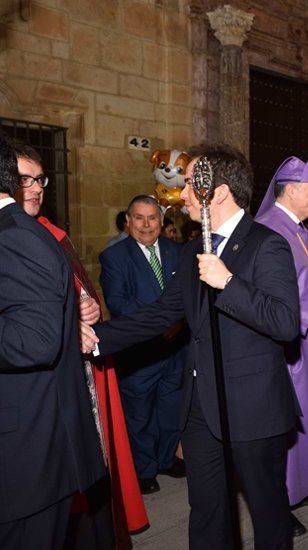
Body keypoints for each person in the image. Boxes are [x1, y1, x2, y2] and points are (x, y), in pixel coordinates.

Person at [81, 143, 302, 550]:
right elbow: (162, 313)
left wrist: (229, 284)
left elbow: (285, 323)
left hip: (253, 405)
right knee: (207, 511)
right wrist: (94, 339)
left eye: (188, 186)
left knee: (268, 514)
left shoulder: (266, 244)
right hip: (201, 405)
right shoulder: (191, 249)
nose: (179, 194)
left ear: (216, 191)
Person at [13, 140, 147, 546]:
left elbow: (81, 293)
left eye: (39, 180)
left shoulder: (54, 234)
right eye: (24, 180)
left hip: (74, 376)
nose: (36, 188)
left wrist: (88, 307)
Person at [0, 133, 106, 550]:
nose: (37, 190)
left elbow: (35, 341)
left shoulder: (18, 236)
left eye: (40, 180)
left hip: (28, 449)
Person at [254, 154, 308, 535]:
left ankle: (304, 487)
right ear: (290, 190)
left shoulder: (296, 227)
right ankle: (280, 500)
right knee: (286, 426)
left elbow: (302, 282)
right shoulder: (268, 229)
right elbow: (265, 296)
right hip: (288, 349)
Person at [99, 195, 188, 495]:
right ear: (128, 221)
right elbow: (119, 303)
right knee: (140, 414)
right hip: (140, 352)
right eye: (139, 218)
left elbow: (190, 296)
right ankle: (144, 469)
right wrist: (161, 324)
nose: (146, 225)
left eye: (152, 218)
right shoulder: (114, 257)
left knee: (171, 409)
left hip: (176, 348)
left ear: (162, 222)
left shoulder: (179, 252)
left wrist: (177, 323)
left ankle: (166, 459)